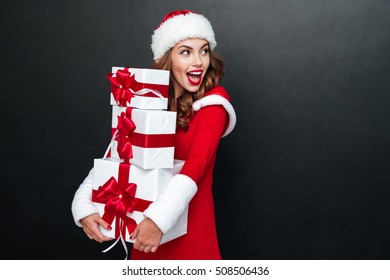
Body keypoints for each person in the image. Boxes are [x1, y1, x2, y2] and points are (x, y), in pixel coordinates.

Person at [71, 10, 236, 260]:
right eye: (185, 52)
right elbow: (117, 154)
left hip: (187, 238)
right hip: (144, 237)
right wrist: (83, 206)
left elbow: (197, 165)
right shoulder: (146, 98)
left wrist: (157, 220)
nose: (199, 62)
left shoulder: (214, 103)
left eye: (204, 50)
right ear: (166, 57)